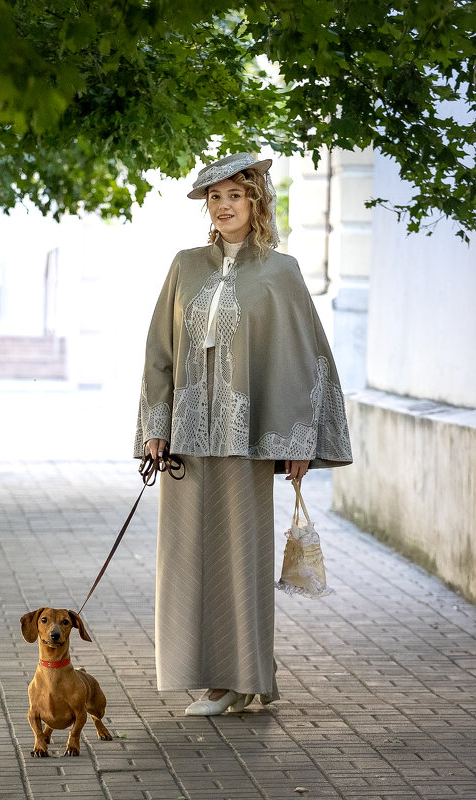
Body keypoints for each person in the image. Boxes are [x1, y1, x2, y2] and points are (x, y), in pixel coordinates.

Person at [133, 152, 353, 716]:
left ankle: (240, 679)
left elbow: (303, 359)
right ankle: (202, 674)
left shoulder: (282, 272)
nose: (224, 205)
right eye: (215, 197)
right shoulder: (185, 265)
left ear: (256, 201)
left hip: (249, 441)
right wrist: (155, 428)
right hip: (188, 441)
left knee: (240, 559)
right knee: (185, 558)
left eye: (235, 194)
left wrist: (299, 444)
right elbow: (160, 350)